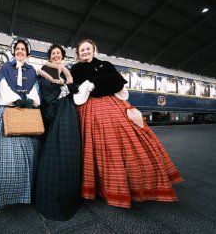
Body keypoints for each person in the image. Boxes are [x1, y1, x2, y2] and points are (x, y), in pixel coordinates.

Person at [70, 39, 183, 208]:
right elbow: (76, 87)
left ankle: (133, 183)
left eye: (88, 49)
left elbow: (117, 81)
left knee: (128, 137)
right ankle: (100, 185)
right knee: (93, 144)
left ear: (94, 50)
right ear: (78, 53)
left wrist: (94, 84)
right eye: (82, 50)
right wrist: (101, 83)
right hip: (89, 108)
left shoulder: (105, 64)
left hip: (112, 104)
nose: (85, 52)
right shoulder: (76, 69)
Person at [0, 37, 40, 210]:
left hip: (25, 115)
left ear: (27, 52)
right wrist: (15, 100)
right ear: (13, 52)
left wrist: (30, 101)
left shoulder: (32, 70)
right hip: (5, 112)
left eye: (23, 50)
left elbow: (34, 89)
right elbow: (1, 85)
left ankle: (22, 194)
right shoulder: (6, 67)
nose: (20, 52)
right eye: (17, 49)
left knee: (27, 155)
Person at [34, 44, 82, 220]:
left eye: (58, 53)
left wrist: (69, 88)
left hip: (68, 111)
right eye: (53, 53)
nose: (55, 55)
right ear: (49, 56)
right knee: (54, 150)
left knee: (69, 150)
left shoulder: (67, 69)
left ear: (62, 55)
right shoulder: (46, 69)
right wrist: (63, 91)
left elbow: (73, 87)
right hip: (53, 113)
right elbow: (46, 92)